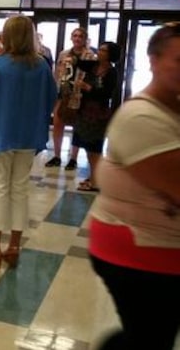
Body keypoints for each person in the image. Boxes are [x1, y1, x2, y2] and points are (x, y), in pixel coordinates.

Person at [88, 23, 180, 350]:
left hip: (158, 247)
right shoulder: (142, 117)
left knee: (148, 333)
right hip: (139, 249)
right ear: (153, 60)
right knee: (150, 335)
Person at [0, 15, 57, 268]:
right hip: (28, 136)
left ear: (6, 37)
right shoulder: (41, 66)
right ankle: (14, 246)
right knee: (19, 190)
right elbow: (52, 98)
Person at [73, 42, 120, 192]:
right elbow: (78, 62)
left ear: (110, 54)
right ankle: (94, 176)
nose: (99, 52)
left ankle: (96, 182)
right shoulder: (93, 65)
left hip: (98, 113)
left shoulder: (112, 72)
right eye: (99, 49)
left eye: (103, 50)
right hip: (85, 111)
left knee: (95, 149)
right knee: (88, 148)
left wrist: (88, 88)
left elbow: (107, 93)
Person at [47, 27, 95, 170]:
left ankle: (73, 158)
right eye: (74, 36)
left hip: (80, 95)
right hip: (64, 93)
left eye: (80, 36)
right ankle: (56, 155)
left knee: (77, 127)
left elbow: (92, 75)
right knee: (58, 123)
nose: (77, 38)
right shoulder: (64, 54)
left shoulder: (90, 56)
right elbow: (58, 72)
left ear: (85, 38)